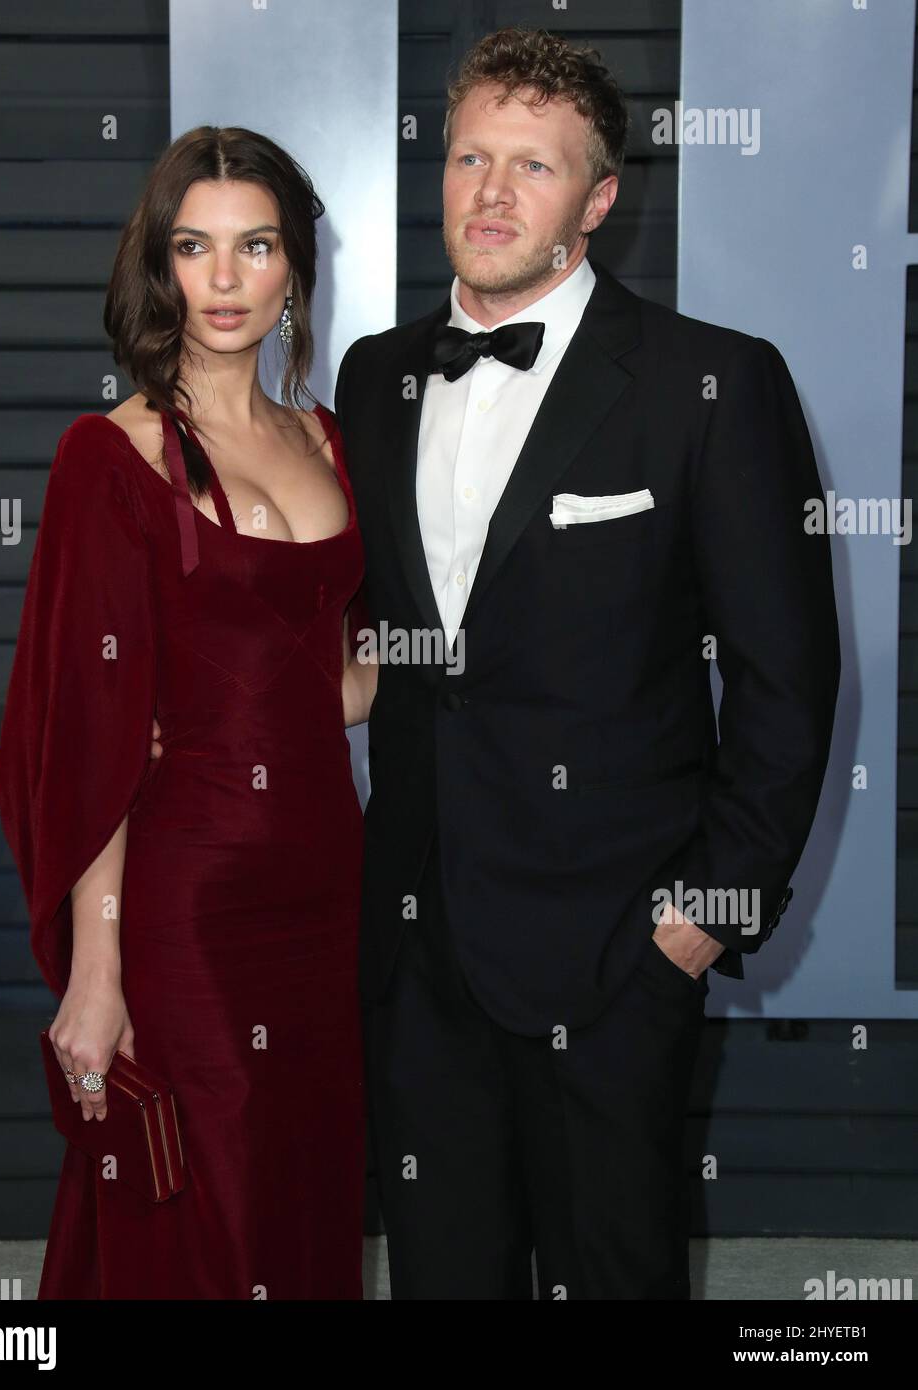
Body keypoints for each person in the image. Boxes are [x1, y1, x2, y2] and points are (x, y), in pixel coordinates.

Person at [331, 29, 840, 1298]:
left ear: (598, 200)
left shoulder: (709, 383)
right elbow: (358, 638)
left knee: (613, 1276)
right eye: (468, 158)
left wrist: (696, 920)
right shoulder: (375, 375)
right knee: (442, 1275)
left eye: (533, 168)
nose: (490, 195)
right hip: (415, 939)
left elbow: (785, 680)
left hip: (615, 946)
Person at [0, 126, 371, 1299]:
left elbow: (330, 686)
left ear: (291, 268)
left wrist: (472, 657)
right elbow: (96, 739)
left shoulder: (326, 438)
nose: (222, 279)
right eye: (192, 247)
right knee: (208, 1198)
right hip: (187, 904)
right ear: (156, 267)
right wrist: (97, 971)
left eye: (253, 246)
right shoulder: (111, 458)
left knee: (303, 1186)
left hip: (323, 885)